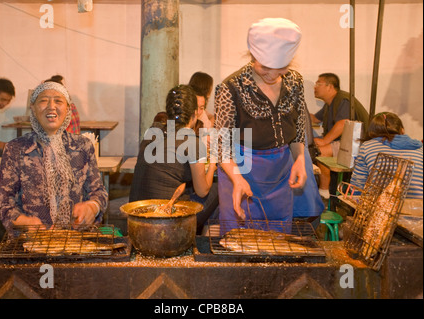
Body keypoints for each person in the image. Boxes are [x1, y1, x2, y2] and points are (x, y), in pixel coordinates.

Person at [214, 18, 307, 234]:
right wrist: (236, 178)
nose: (273, 75)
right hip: (241, 171)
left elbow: (299, 127)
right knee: (239, 237)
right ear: (253, 55)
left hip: (280, 172)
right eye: (265, 67)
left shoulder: (295, 82)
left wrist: (300, 159)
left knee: (277, 237)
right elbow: (222, 145)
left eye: (281, 68)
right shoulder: (231, 87)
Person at [0, 81, 108, 234]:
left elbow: (99, 192)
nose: (51, 106)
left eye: (58, 101)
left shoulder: (83, 146)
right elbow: (4, 202)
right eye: (43, 100)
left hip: (76, 241)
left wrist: (92, 207)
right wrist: (23, 221)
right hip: (30, 243)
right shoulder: (15, 149)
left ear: (68, 109)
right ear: (33, 109)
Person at [129, 85, 218, 234]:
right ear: (195, 113)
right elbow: (202, 191)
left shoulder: (153, 131)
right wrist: (214, 162)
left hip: (136, 216)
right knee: (219, 187)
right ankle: (206, 238)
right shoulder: (192, 142)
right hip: (166, 222)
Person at [310, 73, 369, 199]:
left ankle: (324, 193)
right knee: (312, 147)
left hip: (355, 144)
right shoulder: (329, 103)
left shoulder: (343, 100)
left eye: (318, 83)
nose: (315, 87)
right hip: (343, 143)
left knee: (320, 151)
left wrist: (324, 141)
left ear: (329, 87)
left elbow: (343, 123)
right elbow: (315, 119)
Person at [350, 112, 423, 199]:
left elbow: (357, 187)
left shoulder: (367, 147)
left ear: (371, 132)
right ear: (402, 130)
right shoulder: (420, 149)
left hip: (379, 208)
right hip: (418, 208)